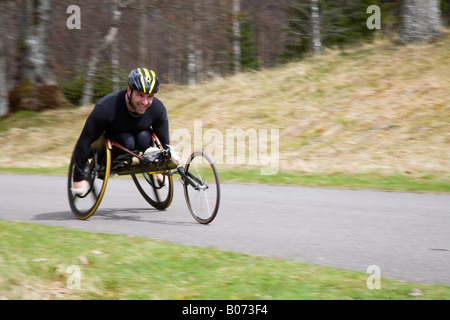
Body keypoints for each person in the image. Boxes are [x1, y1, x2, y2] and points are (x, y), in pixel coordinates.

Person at [72, 67, 170, 196]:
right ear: (129, 90)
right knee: (127, 141)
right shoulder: (105, 108)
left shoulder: (157, 109)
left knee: (145, 138)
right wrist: (78, 179)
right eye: (140, 95)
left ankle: (143, 154)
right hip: (114, 140)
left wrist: (163, 169)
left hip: (141, 139)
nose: (145, 102)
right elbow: (84, 141)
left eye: (150, 97)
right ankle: (111, 162)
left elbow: (165, 143)